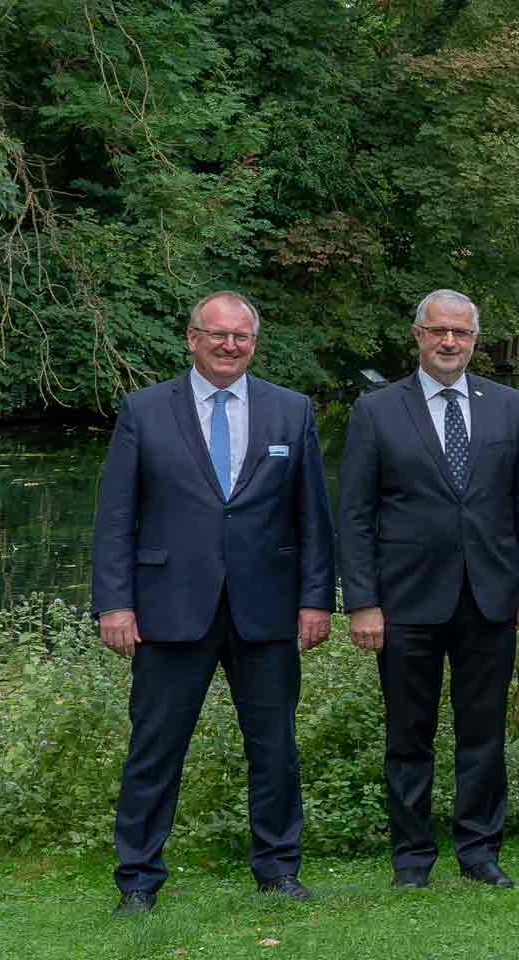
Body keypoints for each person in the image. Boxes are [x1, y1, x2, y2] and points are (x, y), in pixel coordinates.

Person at [92, 290, 335, 914]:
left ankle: (278, 868)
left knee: (275, 746)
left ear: (255, 342)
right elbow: (116, 516)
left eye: (242, 337)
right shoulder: (144, 411)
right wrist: (114, 603)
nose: (230, 346)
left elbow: (314, 517)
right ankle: (138, 880)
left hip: (268, 609)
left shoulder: (291, 410)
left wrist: (316, 600)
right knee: (155, 748)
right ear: (192, 338)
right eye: (218, 335)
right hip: (169, 606)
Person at [338, 289, 519, 890]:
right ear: (418, 336)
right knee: (408, 736)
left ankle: (480, 850)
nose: (449, 342)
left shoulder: (507, 406)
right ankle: (411, 859)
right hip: (405, 601)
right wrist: (362, 601)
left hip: (490, 596)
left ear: (475, 340)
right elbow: (354, 516)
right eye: (438, 332)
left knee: (482, 733)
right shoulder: (377, 410)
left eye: (460, 333)